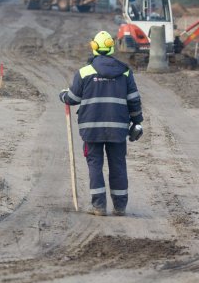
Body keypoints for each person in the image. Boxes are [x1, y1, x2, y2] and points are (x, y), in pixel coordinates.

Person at [59, 30, 144, 216]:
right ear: (112, 47)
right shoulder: (125, 72)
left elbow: (72, 98)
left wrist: (63, 95)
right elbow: (134, 100)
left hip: (91, 130)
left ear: (94, 47)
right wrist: (137, 122)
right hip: (118, 129)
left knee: (95, 165)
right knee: (118, 165)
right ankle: (120, 207)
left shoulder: (84, 72)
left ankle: (99, 207)